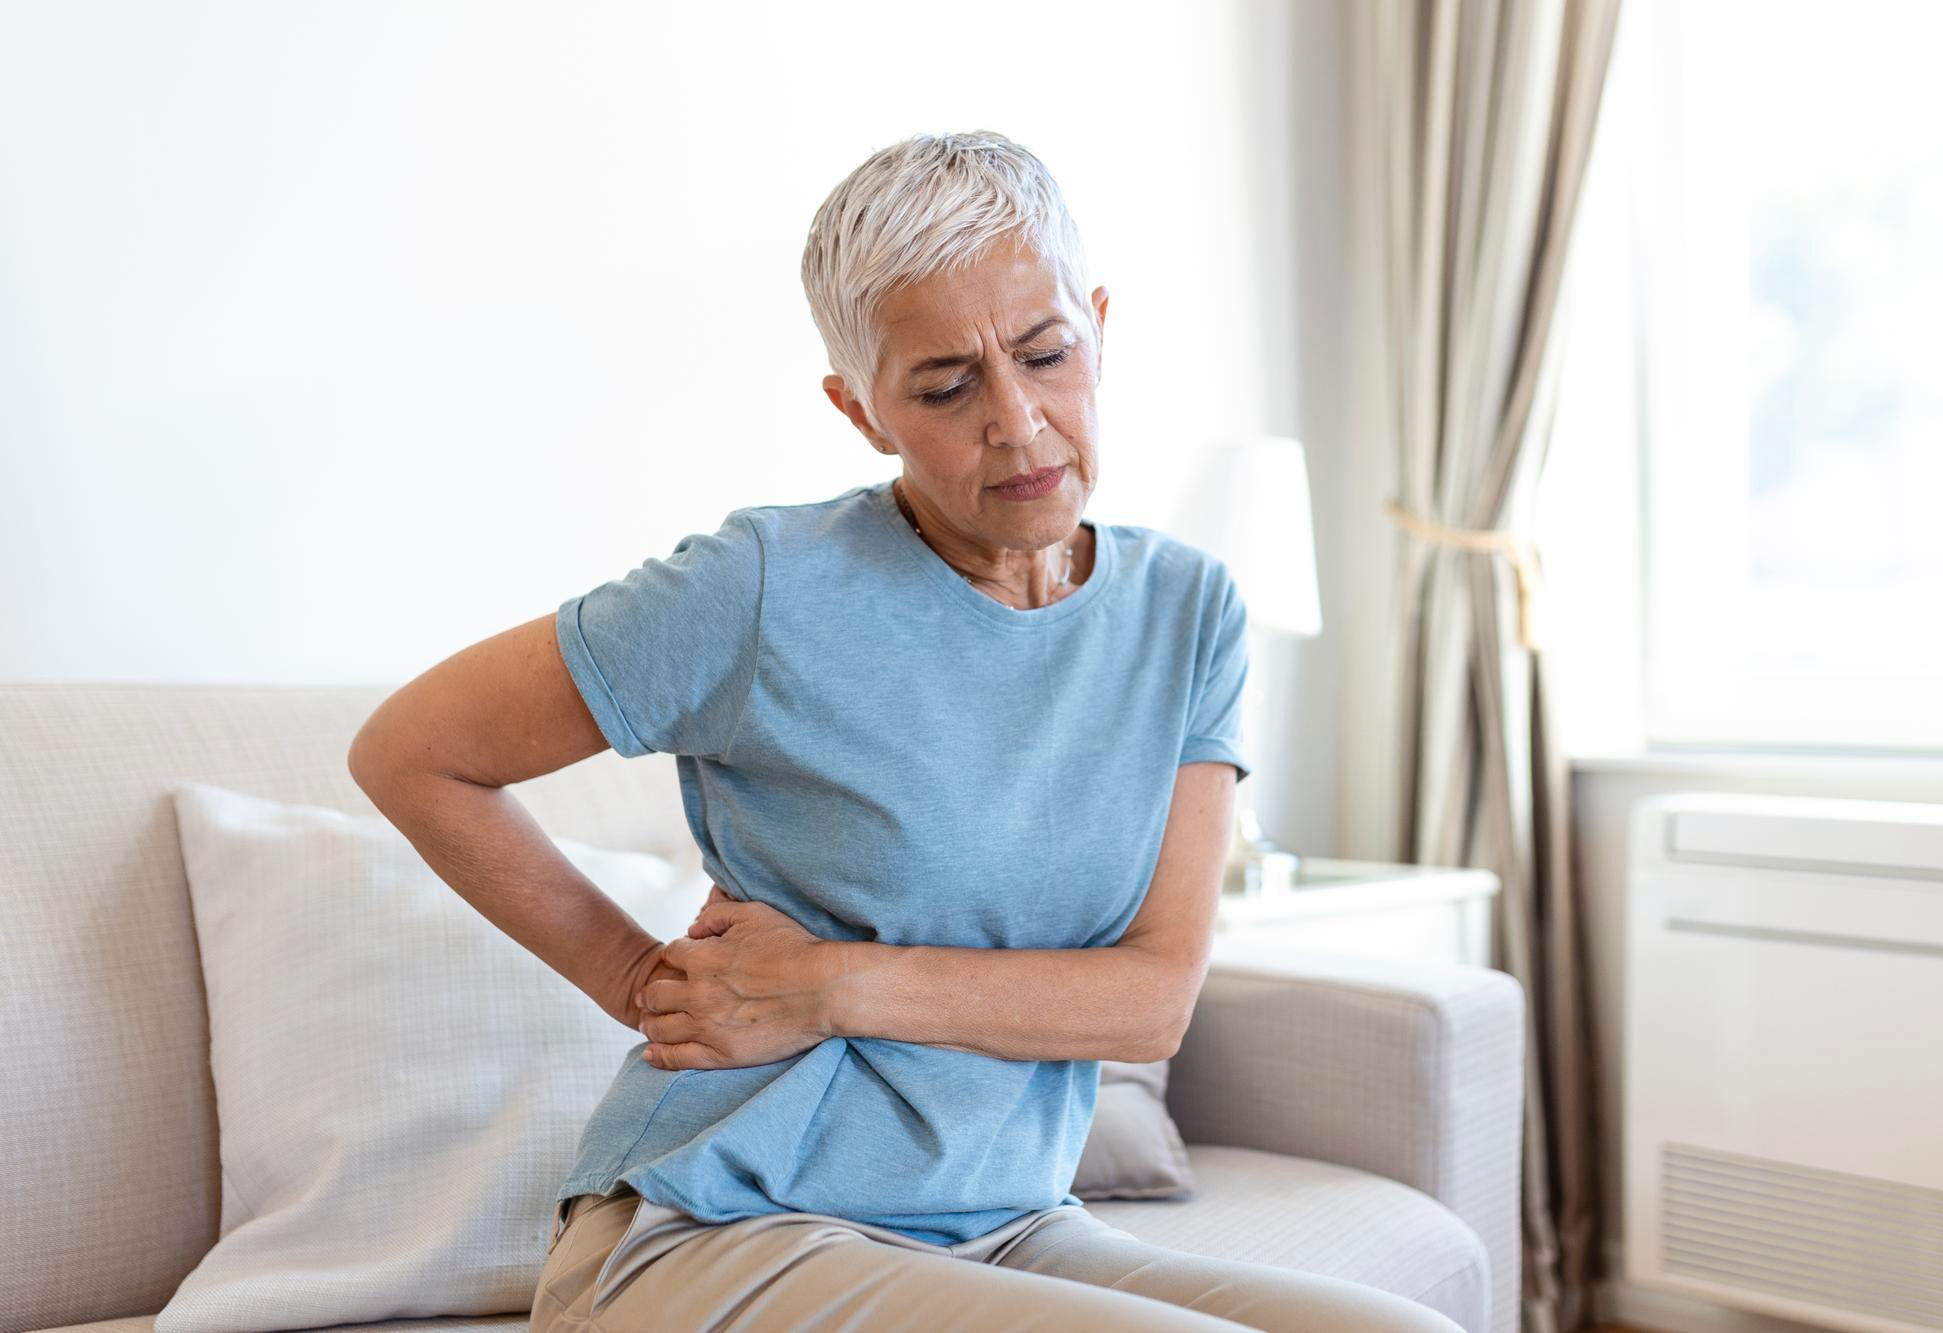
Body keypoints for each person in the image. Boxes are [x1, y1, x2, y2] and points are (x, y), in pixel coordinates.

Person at [350, 130, 1465, 1333]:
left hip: (1005, 1220)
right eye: (944, 385)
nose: (1020, 423)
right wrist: (639, 980)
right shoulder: (761, 586)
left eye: (1045, 354)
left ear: (1097, 324)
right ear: (859, 408)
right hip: (718, 1226)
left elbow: (1147, 1000)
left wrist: (829, 986)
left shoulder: (1187, 611)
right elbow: (413, 752)